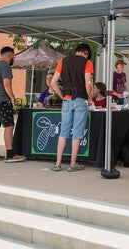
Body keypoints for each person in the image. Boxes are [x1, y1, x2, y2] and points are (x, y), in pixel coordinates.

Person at [50, 43, 94, 172]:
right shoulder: (87, 63)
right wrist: (90, 98)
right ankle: (72, 164)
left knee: (64, 131)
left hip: (67, 100)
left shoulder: (63, 61)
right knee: (77, 132)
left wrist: (61, 95)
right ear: (86, 52)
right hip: (80, 99)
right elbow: (89, 83)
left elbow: (53, 82)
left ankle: (57, 163)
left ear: (76, 51)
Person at [0, 46, 27, 163]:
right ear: (10, 55)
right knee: (9, 126)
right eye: (14, 57)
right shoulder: (5, 66)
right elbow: (6, 83)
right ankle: (10, 154)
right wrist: (12, 97)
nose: (13, 59)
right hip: (2, 100)